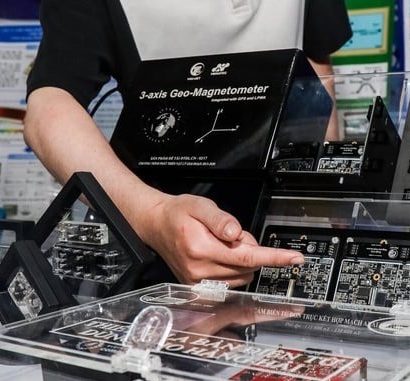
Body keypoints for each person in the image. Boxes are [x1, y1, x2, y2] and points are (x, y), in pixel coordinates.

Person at [24, 0, 352, 288]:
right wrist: (152, 215)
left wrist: (323, 194)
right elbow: (49, 106)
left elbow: (315, 60)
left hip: (283, 220)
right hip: (168, 227)